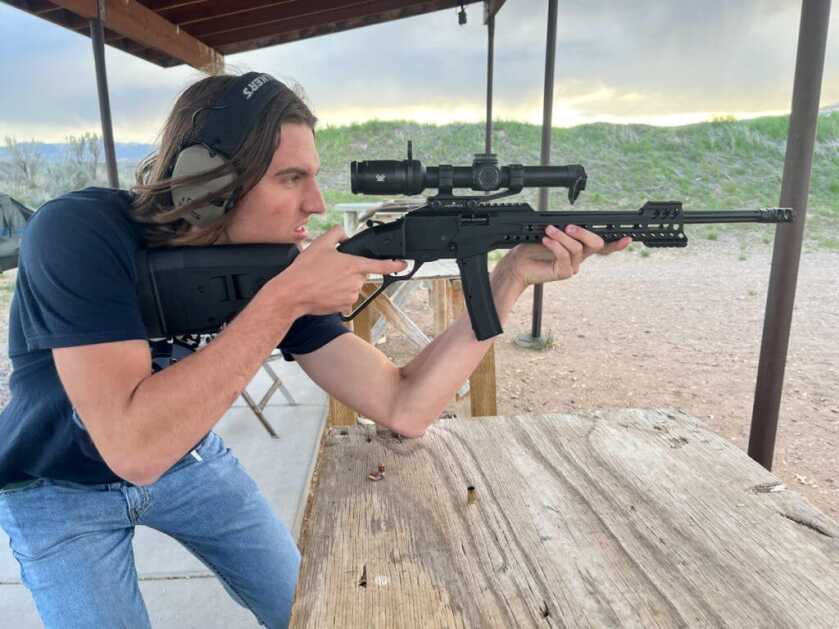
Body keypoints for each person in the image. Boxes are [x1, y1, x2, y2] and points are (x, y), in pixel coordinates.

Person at [0, 72, 630, 628]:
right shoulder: (77, 232)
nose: (317, 204)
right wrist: (282, 302)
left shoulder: (271, 269)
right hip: (55, 487)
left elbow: (405, 406)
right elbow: (133, 448)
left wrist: (510, 277)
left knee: (310, 610)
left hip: (188, 463)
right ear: (205, 185)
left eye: (314, 177)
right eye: (290, 178)